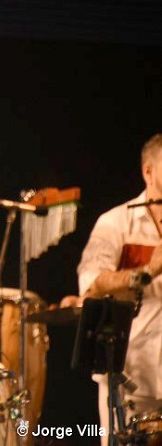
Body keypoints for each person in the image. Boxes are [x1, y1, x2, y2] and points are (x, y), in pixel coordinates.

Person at [76, 134, 162, 444]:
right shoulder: (115, 222)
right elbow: (92, 286)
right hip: (133, 379)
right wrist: (148, 271)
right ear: (148, 171)